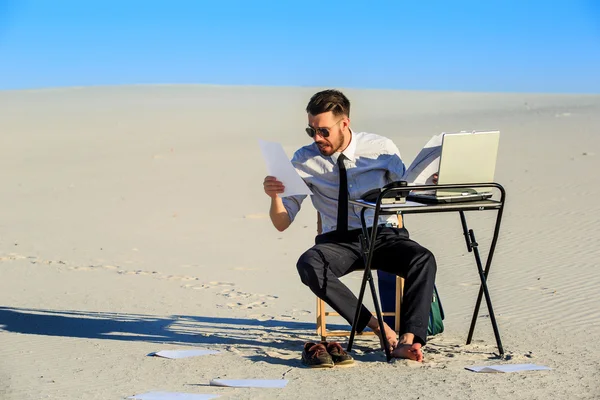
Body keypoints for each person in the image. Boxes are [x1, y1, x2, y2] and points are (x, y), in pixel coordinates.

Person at [262, 89, 437, 362]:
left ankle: (409, 340)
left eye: (323, 131)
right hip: (339, 243)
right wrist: (274, 197)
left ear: (345, 123)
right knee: (308, 264)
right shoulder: (303, 160)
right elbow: (282, 223)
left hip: (384, 235)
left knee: (423, 258)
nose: (317, 138)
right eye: (311, 131)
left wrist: (429, 185)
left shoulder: (381, 148)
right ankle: (380, 329)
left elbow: (405, 190)